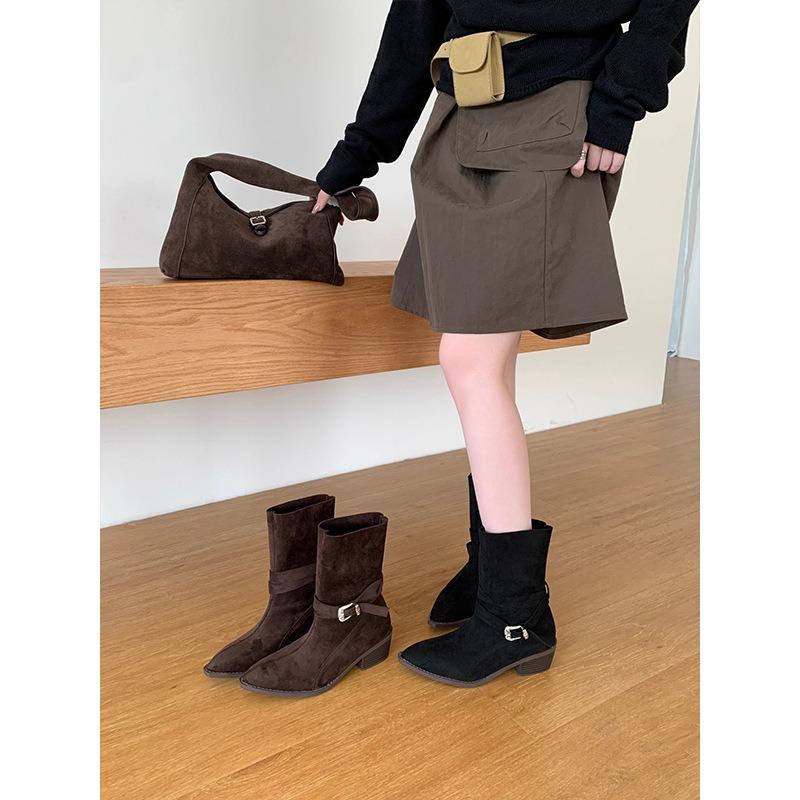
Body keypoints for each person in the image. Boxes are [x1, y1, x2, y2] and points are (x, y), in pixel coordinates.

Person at [311, 0, 698, 687]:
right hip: (460, 115)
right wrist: (354, 156)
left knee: (469, 362)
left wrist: (620, 103)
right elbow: (414, 22)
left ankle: (516, 616)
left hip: (552, 115)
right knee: (487, 358)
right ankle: (492, 565)